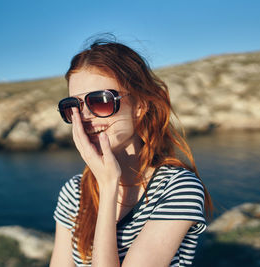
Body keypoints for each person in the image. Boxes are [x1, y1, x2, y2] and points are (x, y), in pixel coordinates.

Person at [50, 38, 212, 267]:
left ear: (139, 106)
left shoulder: (177, 188)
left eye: (101, 101)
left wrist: (108, 186)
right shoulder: (74, 192)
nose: (84, 116)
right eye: (74, 106)